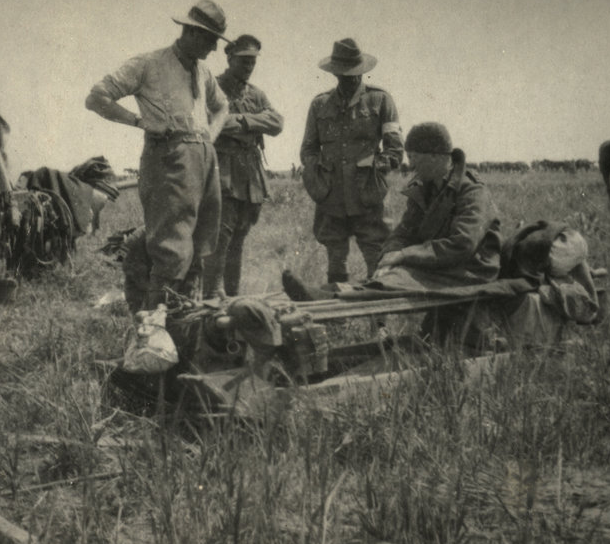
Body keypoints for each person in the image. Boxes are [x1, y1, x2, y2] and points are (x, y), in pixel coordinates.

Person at [283, 121, 504, 345]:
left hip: (470, 270)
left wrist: (404, 256)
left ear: (436, 156)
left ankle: (329, 295)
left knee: (399, 278)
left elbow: (463, 243)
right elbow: (403, 232)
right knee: (391, 275)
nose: (411, 163)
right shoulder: (424, 188)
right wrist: (389, 255)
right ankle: (328, 292)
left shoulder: (473, 191)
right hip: (442, 265)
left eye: (415, 155)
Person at [85, 0, 230, 310]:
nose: (215, 49)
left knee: (201, 244)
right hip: (169, 157)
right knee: (171, 249)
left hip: (204, 159)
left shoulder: (203, 71)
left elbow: (222, 106)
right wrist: (138, 121)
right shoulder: (149, 64)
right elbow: (97, 97)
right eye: (211, 40)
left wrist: (208, 139)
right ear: (192, 33)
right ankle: (154, 328)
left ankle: (183, 321)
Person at [300, 38, 404, 283]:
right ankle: (337, 320)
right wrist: (318, 180)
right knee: (335, 256)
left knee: (375, 255)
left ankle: (378, 321)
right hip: (331, 196)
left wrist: (376, 170)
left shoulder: (380, 100)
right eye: (343, 74)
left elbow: (395, 149)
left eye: (354, 73)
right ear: (335, 73)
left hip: (367, 196)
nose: (349, 78)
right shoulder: (319, 104)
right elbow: (308, 149)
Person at [202, 34, 284, 298]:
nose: (249, 65)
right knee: (219, 240)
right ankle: (213, 298)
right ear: (229, 58)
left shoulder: (256, 94)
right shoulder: (213, 86)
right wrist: (251, 123)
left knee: (238, 240)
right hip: (222, 175)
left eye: (253, 61)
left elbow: (277, 123)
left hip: (250, 178)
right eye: (244, 60)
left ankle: (233, 299)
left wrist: (242, 123)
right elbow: (211, 123)